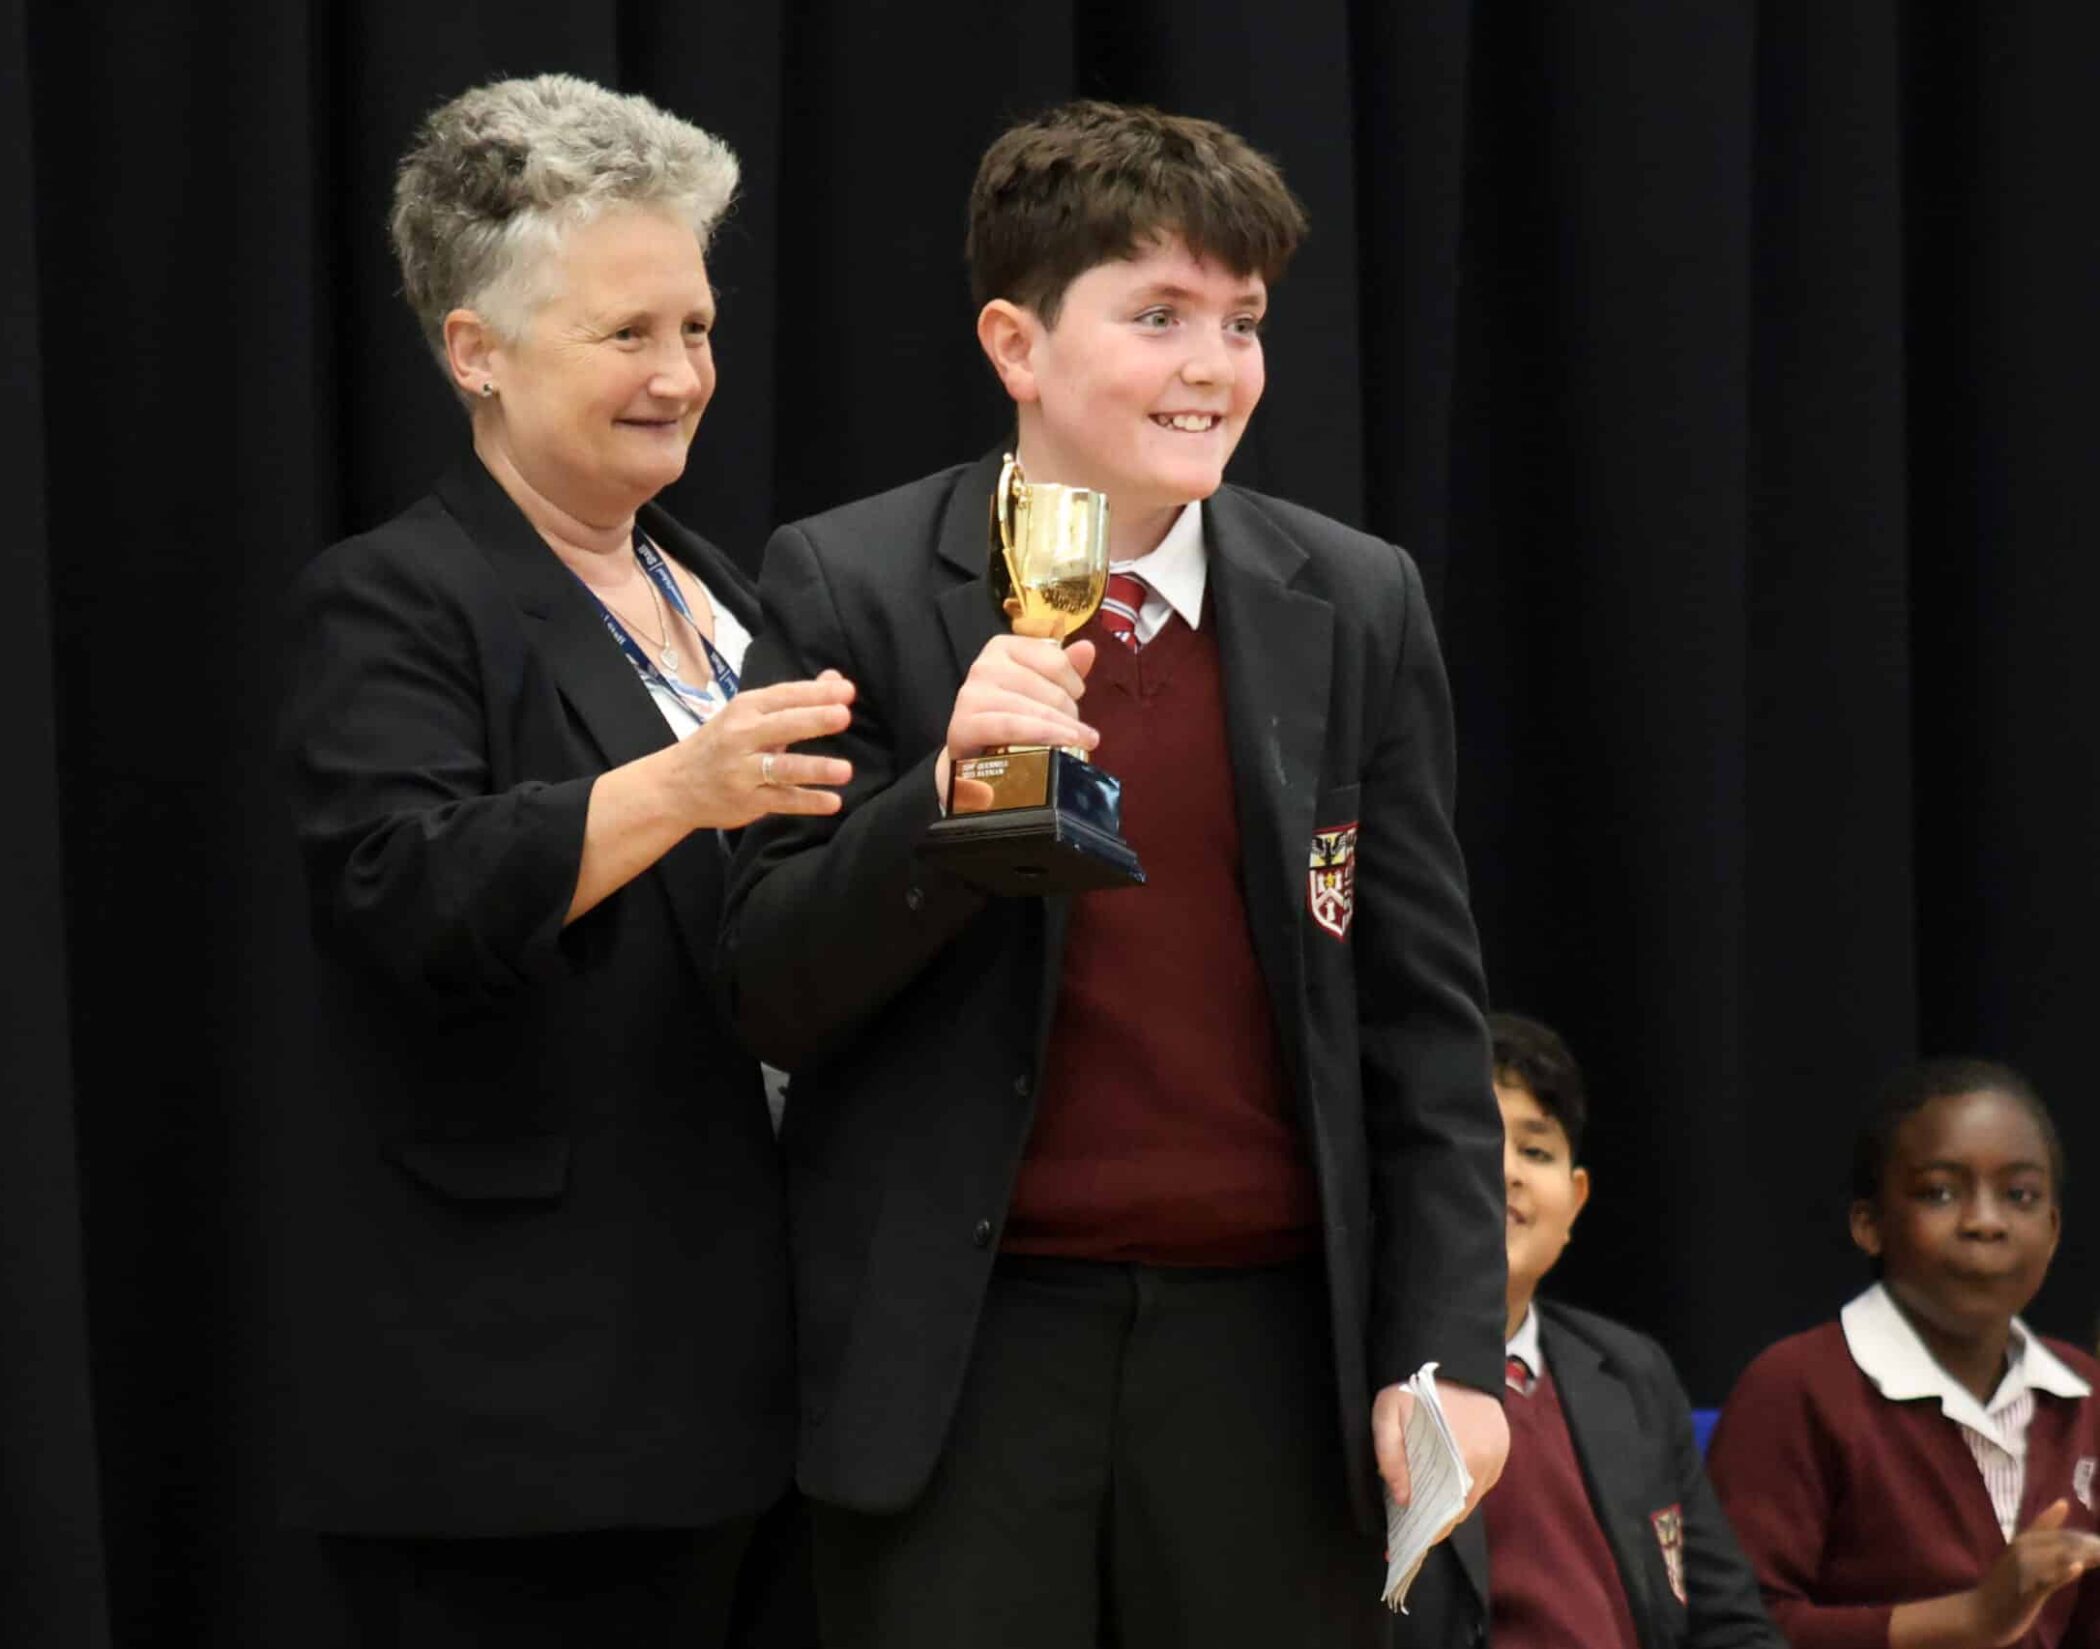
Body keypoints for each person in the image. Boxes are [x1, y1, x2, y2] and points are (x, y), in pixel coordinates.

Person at [719, 100, 1509, 1648]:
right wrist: (945, 800)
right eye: (1158, 316)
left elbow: (1422, 1019)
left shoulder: (1357, 602)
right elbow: (766, 983)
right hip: (967, 1359)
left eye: (1243, 321)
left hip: (1271, 1357)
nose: (1214, 366)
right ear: (1015, 344)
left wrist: (1446, 1355)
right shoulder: (849, 581)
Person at [276, 73, 851, 1645]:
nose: (680, 375)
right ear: (476, 350)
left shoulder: (729, 594)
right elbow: (404, 889)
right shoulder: (393, 596)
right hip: (533, 1432)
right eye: (626, 333)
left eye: (699, 327)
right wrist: (682, 784)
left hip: (758, 1395)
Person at [1395, 1012, 1782, 1648]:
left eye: (1536, 1151)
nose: (1508, 1171)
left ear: (1575, 1201)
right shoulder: (1367, 1374)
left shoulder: (1632, 1369)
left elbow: (1729, 1625)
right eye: (1478, 1138)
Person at [1707, 1059, 2100, 1649]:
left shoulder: (2084, 1389)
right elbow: (1735, 1629)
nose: (1985, 1222)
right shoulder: (1795, 1386)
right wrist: (1968, 1621)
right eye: (1940, 1193)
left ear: (2053, 1229)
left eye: (2019, 1195)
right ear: (1870, 1224)